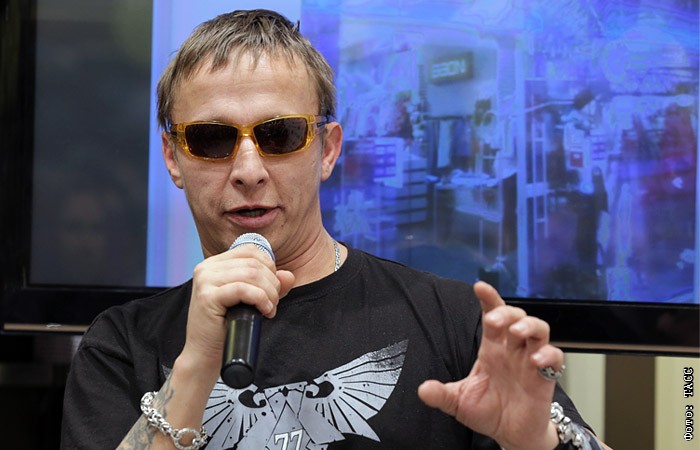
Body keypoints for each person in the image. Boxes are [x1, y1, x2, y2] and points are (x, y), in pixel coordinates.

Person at [61, 9, 611, 450]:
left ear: (327, 150)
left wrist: (535, 442)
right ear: (173, 158)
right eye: (211, 139)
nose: (249, 170)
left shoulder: (452, 319)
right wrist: (195, 364)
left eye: (280, 135)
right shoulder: (121, 345)